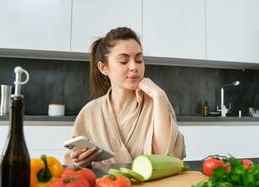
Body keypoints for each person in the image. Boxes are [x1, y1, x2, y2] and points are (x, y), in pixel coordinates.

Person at [64, 27, 186, 167]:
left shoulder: (157, 104)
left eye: (139, 60)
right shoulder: (90, 112)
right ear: (103, 68)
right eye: (123, 61)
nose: (134, 67)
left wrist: (159, 96)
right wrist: (81, 162)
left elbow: (166, 159)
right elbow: (73, 169)